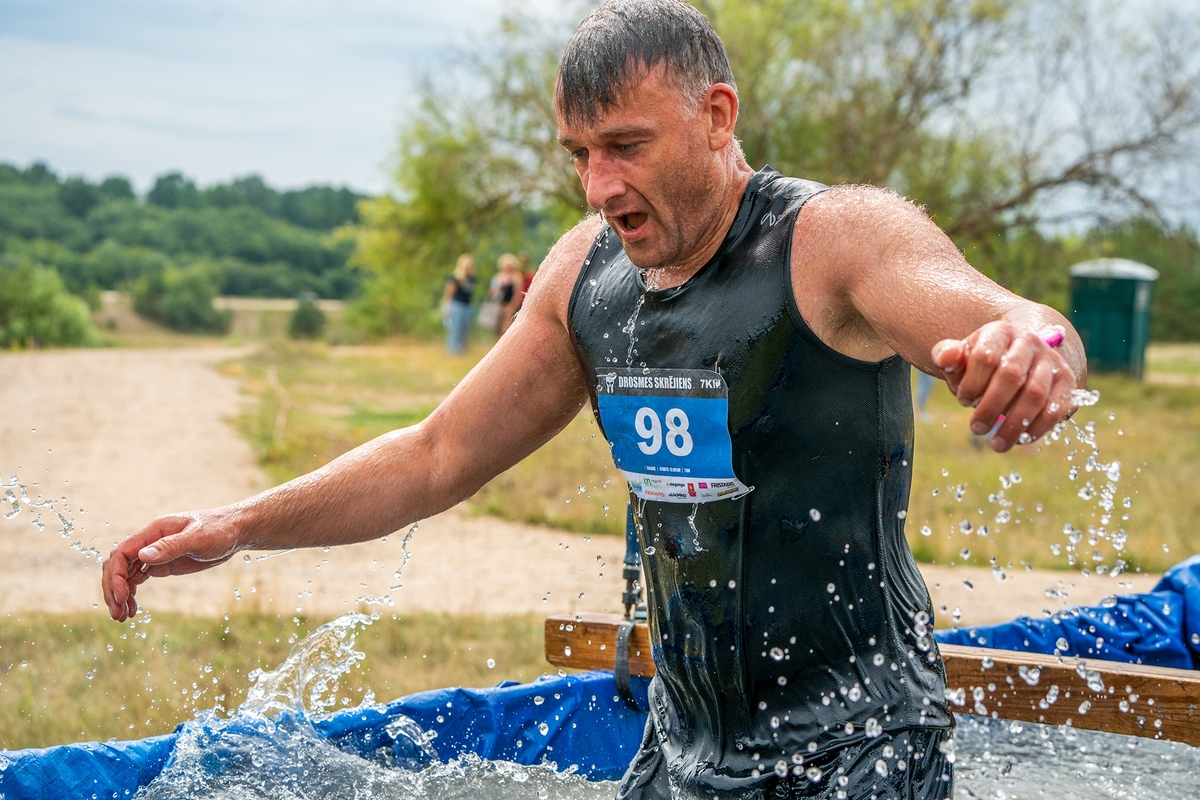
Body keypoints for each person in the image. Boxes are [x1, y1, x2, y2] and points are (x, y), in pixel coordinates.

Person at [102, 2, 1085, 798]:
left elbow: (1023, 318)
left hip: (860, 748)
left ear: (717, 116)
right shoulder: (587, 276)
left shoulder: (831, 240)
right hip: (685, 749)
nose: (599, 187)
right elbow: (436, 455)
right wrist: (239, 524)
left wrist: (1033, 349)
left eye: (625, 146)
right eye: (580, 154)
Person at [442, 254, 475, 354]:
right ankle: (452, 350)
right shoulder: (455, 278)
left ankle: (463, 350)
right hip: (457, 305)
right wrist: (447, 306)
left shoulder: (471, 278)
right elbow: (449, 292)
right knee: (455, 328)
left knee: (465, 328)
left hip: (467, 306)